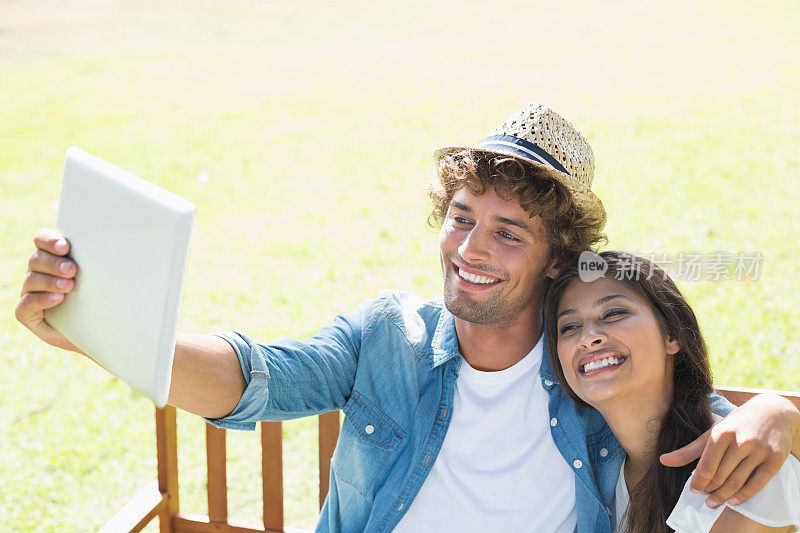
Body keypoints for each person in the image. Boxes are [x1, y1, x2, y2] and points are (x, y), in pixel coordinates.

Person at [15, 103, 800, 532]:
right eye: (462, 217)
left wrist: (780, 414)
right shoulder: (389, 336)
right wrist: (98, 327)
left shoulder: (592, 372)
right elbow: (258, 376)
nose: (470, 248)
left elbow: (705, 432)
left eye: (508, 231)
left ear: (557, 260)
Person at [545, 251, 800, 532]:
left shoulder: (739, 464)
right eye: (569, 327)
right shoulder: (600, 472)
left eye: (613, 313)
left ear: (672, 335)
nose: (588, 337)